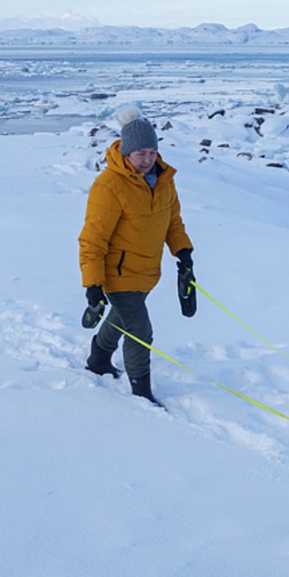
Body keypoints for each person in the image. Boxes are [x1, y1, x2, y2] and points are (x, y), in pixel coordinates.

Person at [78, 106, 195, 406]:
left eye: (151, 152)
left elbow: (173, 222)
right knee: (140, 331)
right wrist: (93, 284)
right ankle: (141, 392)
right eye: (140, 153)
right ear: (127, 153)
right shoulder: (110, 186)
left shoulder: (164, 180)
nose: (147, 160)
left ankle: (98, 359)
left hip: (146, 272)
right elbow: (92, 239)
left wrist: (183, 253)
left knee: (122, 318)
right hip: (118, 275)